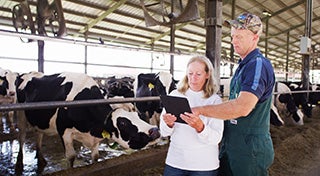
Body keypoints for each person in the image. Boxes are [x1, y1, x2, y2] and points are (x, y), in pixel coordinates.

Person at [181, 13, 275, 176]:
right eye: (232, 36)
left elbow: (243, 107)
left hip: (249, 147)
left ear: (254, 37)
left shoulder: (257, 65)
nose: (233, 41)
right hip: (232, 143)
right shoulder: (243, 66)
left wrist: (201, 110)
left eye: (239, 36)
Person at [160, 55, 224, 176]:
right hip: (176, 162)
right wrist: (168, 124)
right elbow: (163, 132)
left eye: (198, 74)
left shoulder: (214, 101)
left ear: (207, 75)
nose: (193, 78)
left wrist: (200, 127)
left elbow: (216, 138)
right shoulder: (175, 95)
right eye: (190, 73)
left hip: (204, 165)